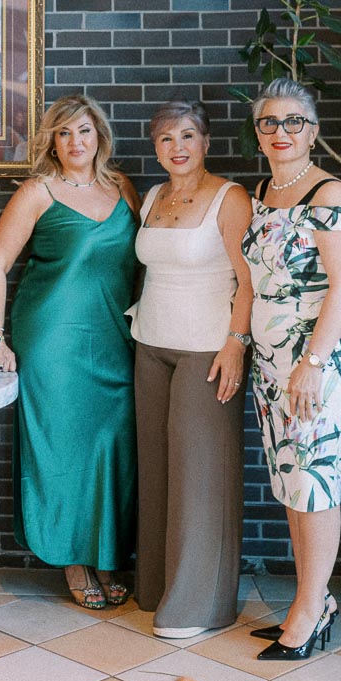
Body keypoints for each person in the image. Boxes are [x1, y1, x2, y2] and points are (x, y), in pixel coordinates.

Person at [0, 93, 140, 607]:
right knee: (64, 448)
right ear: (53, 140)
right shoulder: (38, 191)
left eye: (85, 132)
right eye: (65, 133)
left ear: (100, 137)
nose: (76, 142)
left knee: (112, 446)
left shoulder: (123, 188)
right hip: (53, 341)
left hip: (115, 339)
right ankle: (75, 561)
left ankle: (107, 553)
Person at [242, 77, 341, 661]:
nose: (281, 132)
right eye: (270, 122)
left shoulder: (329, 194)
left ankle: (310, 609)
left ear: (312, 131)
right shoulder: (267, 189)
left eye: (294, 122)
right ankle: (314, 599)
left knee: (315, 482)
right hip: (272, 361)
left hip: (316, 362)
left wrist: (312, 364)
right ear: (258, 132)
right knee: (293, 481)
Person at [129, 99, 253, 639]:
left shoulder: (230, 197)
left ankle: (198, 604)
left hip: (208, 348)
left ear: (205, 142)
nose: (176, 148)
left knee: (199, 475)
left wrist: (235, 345)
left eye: (186, 136)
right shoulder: (153, 197)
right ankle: (156, 587)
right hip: (150, 343)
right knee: (157, 469)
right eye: (164, 139)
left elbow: (250, 282)